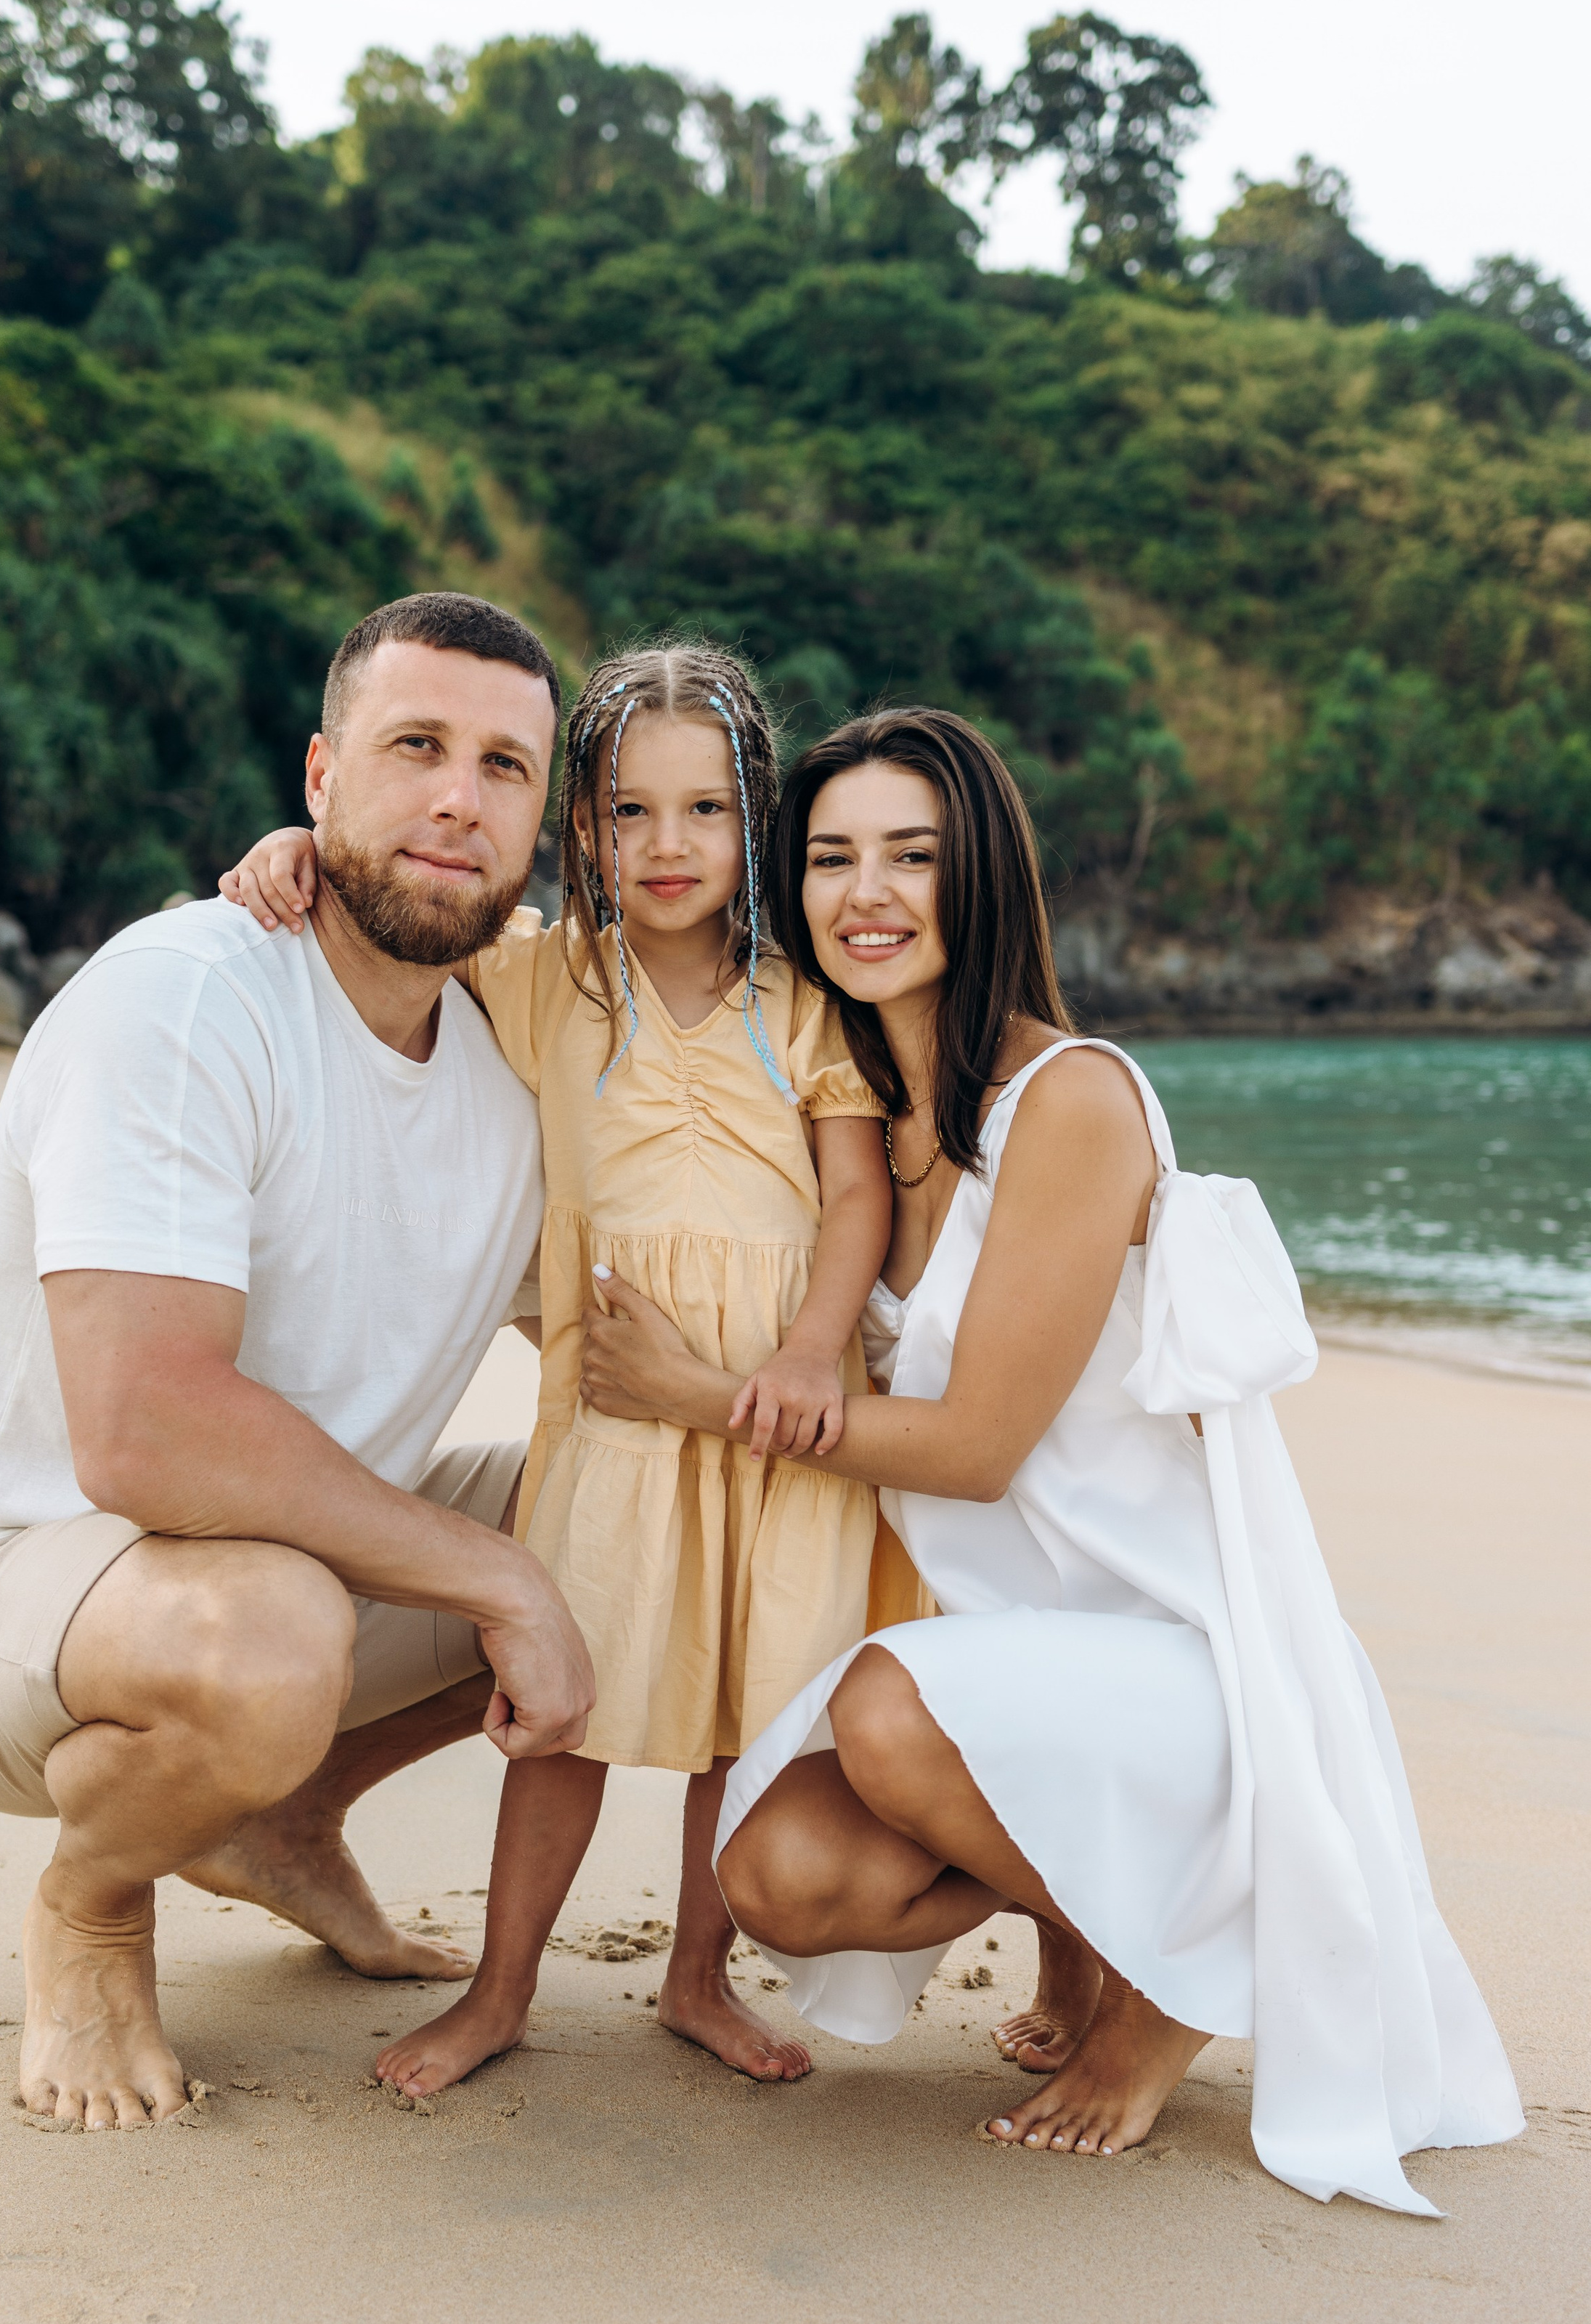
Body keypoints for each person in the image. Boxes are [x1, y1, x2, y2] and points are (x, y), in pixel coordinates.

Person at [571, 706, 1523, 2212]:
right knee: (780, 1876)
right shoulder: (856, 1127)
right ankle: (1087, 1926)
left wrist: (703, 1398)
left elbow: (973, 1446)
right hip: (1026, 1679)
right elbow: (576, 984)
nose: (865, 893)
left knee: (882, 1710)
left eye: (910, 856)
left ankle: (1163, 1995)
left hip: (1187, 1673)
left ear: (984, 879)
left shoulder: (1067, 1099)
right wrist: (297, 862)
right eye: (827, 858)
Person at [0, 591, 595, 2132]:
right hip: (6, 1595)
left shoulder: (510, 1067)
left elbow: (624, 1341)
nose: (459, 797)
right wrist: (500, 1582)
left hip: (290, 1587)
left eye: (504, 767)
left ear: (545, 825)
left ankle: (286, 1812)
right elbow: (146, 1436)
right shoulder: (190, 994)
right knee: (276, 1635)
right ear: (321, 779)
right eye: (416, 747)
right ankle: (91, 1907)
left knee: (635, 1513)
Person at [220, 642, 895, 2095]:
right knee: (563, 1716)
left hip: (780, 1429)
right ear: (579, 827)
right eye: (626, 812)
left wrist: (804, 1350)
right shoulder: (545, 978)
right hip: (611, 1424)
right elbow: (393, 913)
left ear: (752, 822)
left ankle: (694, 1980)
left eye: (702, 811)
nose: (664, 846)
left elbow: (856, 1196)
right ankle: (501, 1988)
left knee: (745, 1722)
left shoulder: (802, 1001)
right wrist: (298, 849)